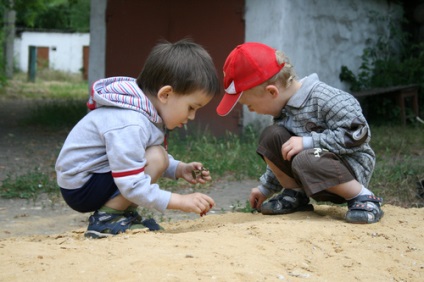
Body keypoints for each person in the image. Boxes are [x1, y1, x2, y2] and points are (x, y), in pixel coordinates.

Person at [56, 39, 221, 238]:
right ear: (166, 94)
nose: (192, 117)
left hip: (90, 179)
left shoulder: (141, 111)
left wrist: (178, 168)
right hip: (82, 186)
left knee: (158, 156)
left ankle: (121, 214)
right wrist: (180, 201)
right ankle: (107, 219)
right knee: (158, 156)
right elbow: (133, 183)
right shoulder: (130, 121)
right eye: (191, 107)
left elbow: (137, 156)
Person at [216, 42, 384, 224]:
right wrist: (265, 188)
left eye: (250, 105)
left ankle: (363, 197)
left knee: (305, 157)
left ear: (272, 92)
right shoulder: (283, 112)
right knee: (271, 137)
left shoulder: (326, 98)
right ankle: (294, 194)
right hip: (310, 166)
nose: (252, 110)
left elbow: (357, 135)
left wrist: (307, 142)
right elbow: (283, 153)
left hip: (347, 167)